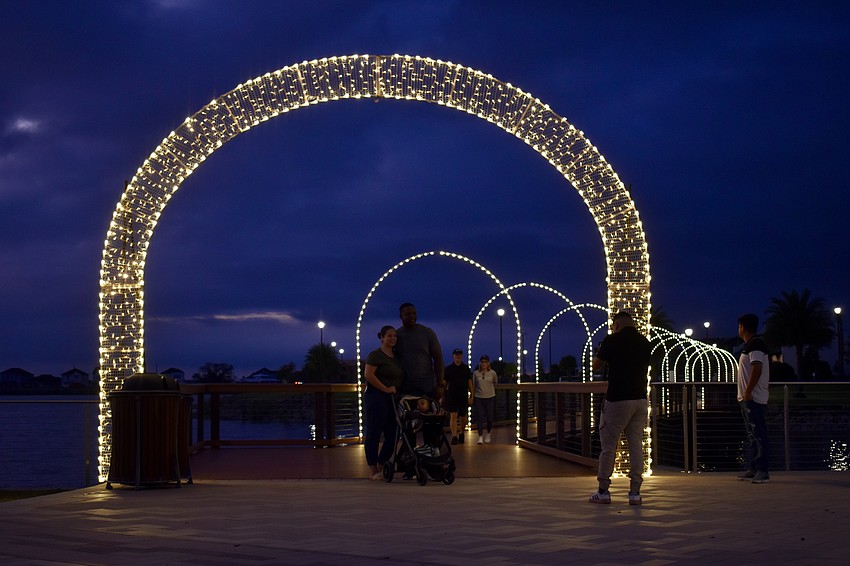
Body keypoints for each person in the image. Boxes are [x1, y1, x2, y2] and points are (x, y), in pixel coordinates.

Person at [589, 311, 651, 505]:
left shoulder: (612, 340)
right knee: (635, 445)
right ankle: (634, 493)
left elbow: (595, 366)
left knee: (609, 446)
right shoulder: (645, 343)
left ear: (615, 324)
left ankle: (603, 491)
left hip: (617, 400)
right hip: (640, 399)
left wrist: (602, 349)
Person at [363, 325, 405, 480]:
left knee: (394, 434)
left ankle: (381, 465)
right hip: (376, 397)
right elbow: (369, 375)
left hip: (393, 399)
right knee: (374, 433)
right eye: (389, 336)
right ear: (382, 337)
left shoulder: (397, 357)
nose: (392, 338)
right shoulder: (376, 355)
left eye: (394, 336)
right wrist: (385, 389)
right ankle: (372, 469)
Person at [736, 313, 771, 484]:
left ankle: (762, 471)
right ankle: (754, 467)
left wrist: (748, 392)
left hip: (754, 398)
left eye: (739, 326)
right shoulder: (749, 345)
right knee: (752, 434)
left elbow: (756, 369)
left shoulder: (756, 345)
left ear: (743, 327)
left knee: (758, 434)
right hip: (747, 397)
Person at [395, 303, 445, 399]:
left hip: (426, 388)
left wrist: (440, 385)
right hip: (404, 389)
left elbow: (438, 359)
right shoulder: (397, 336)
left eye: (414, 313)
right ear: (401, 317)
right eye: (408, 314)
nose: (412, 316)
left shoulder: (427, 333)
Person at [444, 348, 474, 445]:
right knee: (453, 415)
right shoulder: (448, 369)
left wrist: (471, 396)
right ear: (453, 356)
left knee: (463, 416)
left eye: (460, 355)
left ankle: (461, 432)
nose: (458, 356)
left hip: (463, 395)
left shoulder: (466, 368)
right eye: (456, 355)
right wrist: (442, 395)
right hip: (452, 395)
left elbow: (470, 383)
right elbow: (445, 383)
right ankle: (454, 436)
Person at [472, 354, 498, 445]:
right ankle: (480, 437)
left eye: (485, 362)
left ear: (488, 363)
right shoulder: (475, 373)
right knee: (479, 417)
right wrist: (472, 396)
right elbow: (473, 385)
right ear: (480, 363)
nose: (484, 364)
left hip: (490, 397)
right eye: (482, 362)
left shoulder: (492, 373)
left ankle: (488, 433)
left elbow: (495, 382)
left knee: (490, 417)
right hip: (479, 397)